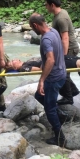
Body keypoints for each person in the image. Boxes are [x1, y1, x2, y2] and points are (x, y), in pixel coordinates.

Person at [29, 13, 67, 146]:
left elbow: (51, 59)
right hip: (62, 73)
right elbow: (57, 52)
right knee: (39, 95)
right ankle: (61, 116)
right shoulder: (54, 31)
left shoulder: (46, 39)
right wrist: (42, 63)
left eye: (32, 28)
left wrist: (42, 80)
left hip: (53, 78)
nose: (33, 31)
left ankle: (59, 137)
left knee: (49, 108)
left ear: (35, 25)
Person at [44, 0, 79, 105]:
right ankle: (73, 91)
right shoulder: (59, 14)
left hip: (70, 48)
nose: (45, 6)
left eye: (47, 5)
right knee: (63, 72)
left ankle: (69, 98)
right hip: (66, 47)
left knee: (63, 72)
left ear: (52, 5)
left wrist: (64, 56)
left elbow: (65, 37)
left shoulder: (61, 18)